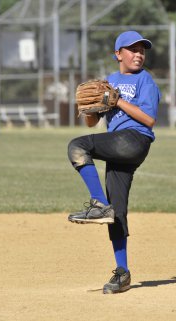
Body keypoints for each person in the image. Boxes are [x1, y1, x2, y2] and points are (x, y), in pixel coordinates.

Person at [67, 31, 161, 294]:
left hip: (134, 140)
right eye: (132, 49)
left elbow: (149, 119)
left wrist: (118, 100)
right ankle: (122, 273)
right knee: (116, 213)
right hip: (117, 146)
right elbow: (92, 122)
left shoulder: (146, 81)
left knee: (78, 146)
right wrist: (90, 107)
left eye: (142, 50)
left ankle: (98, 203)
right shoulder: (109, 81)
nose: (139, 54)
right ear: (118, 54)